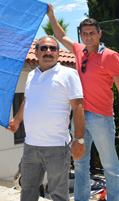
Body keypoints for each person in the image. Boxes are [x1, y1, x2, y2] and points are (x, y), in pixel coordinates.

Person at [47, 3, 119, 201]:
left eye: (92, 33)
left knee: (110, 167)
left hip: (101, 118)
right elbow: (61, 36)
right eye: (84, 33)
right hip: (78, 119)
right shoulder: (79, 51)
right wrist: (51, 15)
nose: (88, 37)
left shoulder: (110, 56)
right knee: (80, 164)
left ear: (99, 34)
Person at [8, 35, 85, 201]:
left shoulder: (68, 74)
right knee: (27, 190)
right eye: (43, 48)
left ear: (58, 53)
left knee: (58, 194)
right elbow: (28, 101)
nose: (48, 51)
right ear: (36, 52)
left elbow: (78, 107)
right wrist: (17, 120)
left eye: (53, 48)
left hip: (56, 147)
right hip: (31, 146)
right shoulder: (31, 76)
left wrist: (79, 139)